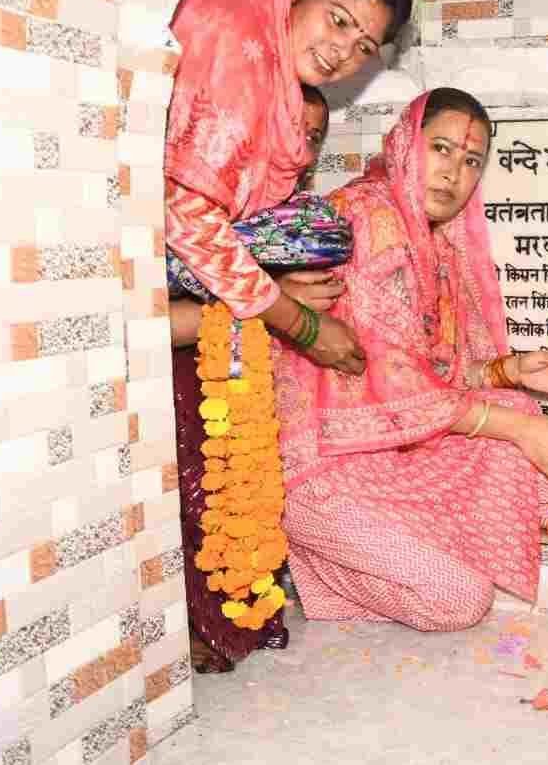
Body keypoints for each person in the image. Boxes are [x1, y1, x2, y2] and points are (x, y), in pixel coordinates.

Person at [274, 88, 548, 632]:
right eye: (441, 149)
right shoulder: (369, 216)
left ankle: (411, 546)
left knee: (523, 420)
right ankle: (320, 560)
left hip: (382, 454)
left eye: (471, 161)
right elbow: (392, 378)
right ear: (405, 144)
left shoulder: (434, 243)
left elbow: (440, 374)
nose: (453, 173)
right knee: (459, 600)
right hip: (319, 471)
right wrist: (519, 428)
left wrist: (510, 371)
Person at [164, 0, 412, 373]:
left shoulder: (270, 64)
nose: (342, 51)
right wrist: (302, 325)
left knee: (324, 231)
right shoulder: (239, 37)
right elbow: (189, 216)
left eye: (364, 48)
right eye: (338, 20)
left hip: (163, 246)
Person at [169, 84, 340, 673]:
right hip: (175, 368)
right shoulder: (189, 199)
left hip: (251, 380)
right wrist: (268, 302)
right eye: (289, 129)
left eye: (313, 136)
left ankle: (241, 607)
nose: (301, 148)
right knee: (193, 472)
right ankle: (183, 621)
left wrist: (274, 305)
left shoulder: (298, 222)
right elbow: (145, 319)